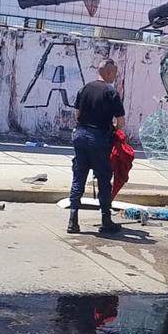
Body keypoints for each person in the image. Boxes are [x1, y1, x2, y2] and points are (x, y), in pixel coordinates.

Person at [67, 59, 126, 235]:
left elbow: (76, 115)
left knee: (79, 177)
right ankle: (106, 220)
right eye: (114, 73)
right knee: (103, 179)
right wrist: (111, 131)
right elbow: (120, 122)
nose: (115, 76)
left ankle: (72, 220)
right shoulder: (110, 92)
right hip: (98, 138)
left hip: (80, 136)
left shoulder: (84, 88)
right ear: (108, 73)